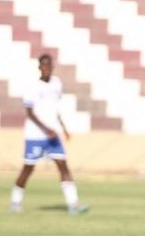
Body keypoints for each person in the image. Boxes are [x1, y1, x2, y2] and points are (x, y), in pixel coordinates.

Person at [9, 54, 88, 215]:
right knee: (28, 169)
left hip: (53, 136)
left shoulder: (57, 83)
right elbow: (29, 113)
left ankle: (73, 205)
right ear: (39, 67)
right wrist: (46, 129)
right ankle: (15, 202)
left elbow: (54, 109)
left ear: (52, 67)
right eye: (43, 65)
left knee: (63, 166)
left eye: (49, 65)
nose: (46, 68)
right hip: (35, 135)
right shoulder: (32, 86)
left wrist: (63, 128)